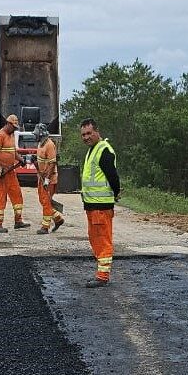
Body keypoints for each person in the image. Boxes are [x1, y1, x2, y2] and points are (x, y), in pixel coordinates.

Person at [79, 118, 120, 288]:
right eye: (83, 135)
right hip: (92, 205)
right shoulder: (92, 150)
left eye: (89, 133)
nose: (86, 137)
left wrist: (116, 193)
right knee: (95, 238)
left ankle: (103, 276)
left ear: (97, 132)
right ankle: (101, 271)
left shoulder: (103, 150)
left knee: (103, 240)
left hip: (101, 206)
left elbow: (113, 176)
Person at [0, 114, 30, 233]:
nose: (14, 129)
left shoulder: (11, 135)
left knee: (17, 195)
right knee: (1, 197)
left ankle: (18, 221)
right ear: (8, 124)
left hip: (11, 171)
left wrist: (20, 159)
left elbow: (13, 152)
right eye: (13, 126)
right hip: (2, 172)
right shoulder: (0, 135)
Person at [33, 123, 65, 234]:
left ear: (41, 134)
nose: (35, 136)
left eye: (36, 134)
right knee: (43, 200)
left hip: (49, 179)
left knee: (46, 202)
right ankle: (58, 219)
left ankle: (45, 227)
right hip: (42, 178)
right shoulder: (40, 144)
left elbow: (52, 163)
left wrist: (47, 179)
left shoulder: (49, 144)